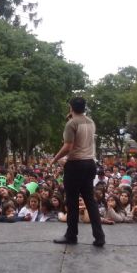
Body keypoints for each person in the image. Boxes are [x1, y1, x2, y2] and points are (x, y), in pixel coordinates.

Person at [50, 97, 105, 247]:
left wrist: (54, 159)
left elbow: (68, 146)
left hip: (75, 165)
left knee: (72, 201)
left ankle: (71, 235)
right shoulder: (91, 122)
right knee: (90, 201)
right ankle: (99, 237)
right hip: (90, 164)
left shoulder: (71, 123)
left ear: (70, 107)